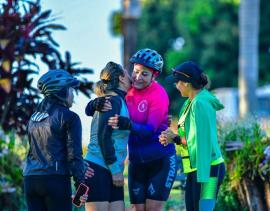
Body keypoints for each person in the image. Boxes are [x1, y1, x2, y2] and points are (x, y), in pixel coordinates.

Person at [86, 49, 177, 211]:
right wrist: (93, 104)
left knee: (152, 209)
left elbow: (148, 129)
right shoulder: (126, 93)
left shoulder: (158, 94)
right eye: (135, 72)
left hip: (158, 158)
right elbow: (104, 95)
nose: (137, 77)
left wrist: (129, 124)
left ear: (154, 76)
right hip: (130, 162)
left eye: (144, 74)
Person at [159, 61, 226, 211]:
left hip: (209, 169)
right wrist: (172, 134)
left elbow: (201, 142)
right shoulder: (190, 102)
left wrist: (175, 138)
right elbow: (189, 133)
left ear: (186, 83)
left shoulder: (199, 104)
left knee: (204, 209)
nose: (176, 86)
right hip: (196, 167)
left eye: (177, 83)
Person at [23, 69, 89, 211]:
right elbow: (74, 155)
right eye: (71, 89)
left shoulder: (33, 118)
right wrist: (80, 187)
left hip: (30, 180)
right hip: (55, 180)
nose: (73, 94)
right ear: (62, 91)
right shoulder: (70, 117)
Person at [84, 62, 131, 211]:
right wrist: (115, 169)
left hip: (112, 168)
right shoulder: (113, 101)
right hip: (99, 168)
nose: (132, 76)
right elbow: (103, 136)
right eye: (127, 73)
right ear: (122, 78)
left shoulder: (119, 101)